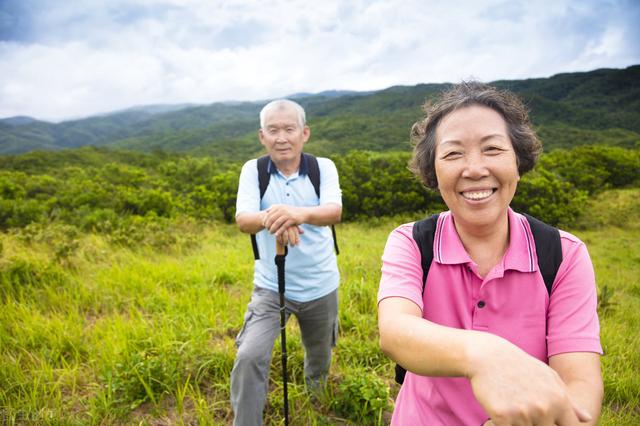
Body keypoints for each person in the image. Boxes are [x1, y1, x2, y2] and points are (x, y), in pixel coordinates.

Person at [377, 82, 603, 425]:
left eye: (492, 149)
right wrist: (485, 354)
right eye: (453, 153)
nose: (474, 168)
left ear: (518, 160)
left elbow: (580, 381)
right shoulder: (411, 241)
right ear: (433, 171)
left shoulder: (563, 254)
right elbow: (395, 331)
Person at [231, 99, 342, 426]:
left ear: (304, 133)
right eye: (273, 130)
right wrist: (277, 217)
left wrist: (299, 213)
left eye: (289, 129)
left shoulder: (323, 168)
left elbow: (333, 211)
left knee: (319, 356)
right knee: (249, 355)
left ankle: (316, 402)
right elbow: (244, 220)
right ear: (261, 136)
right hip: (270, 287)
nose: (282, 137)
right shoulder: (254, 170)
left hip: (321, 284)